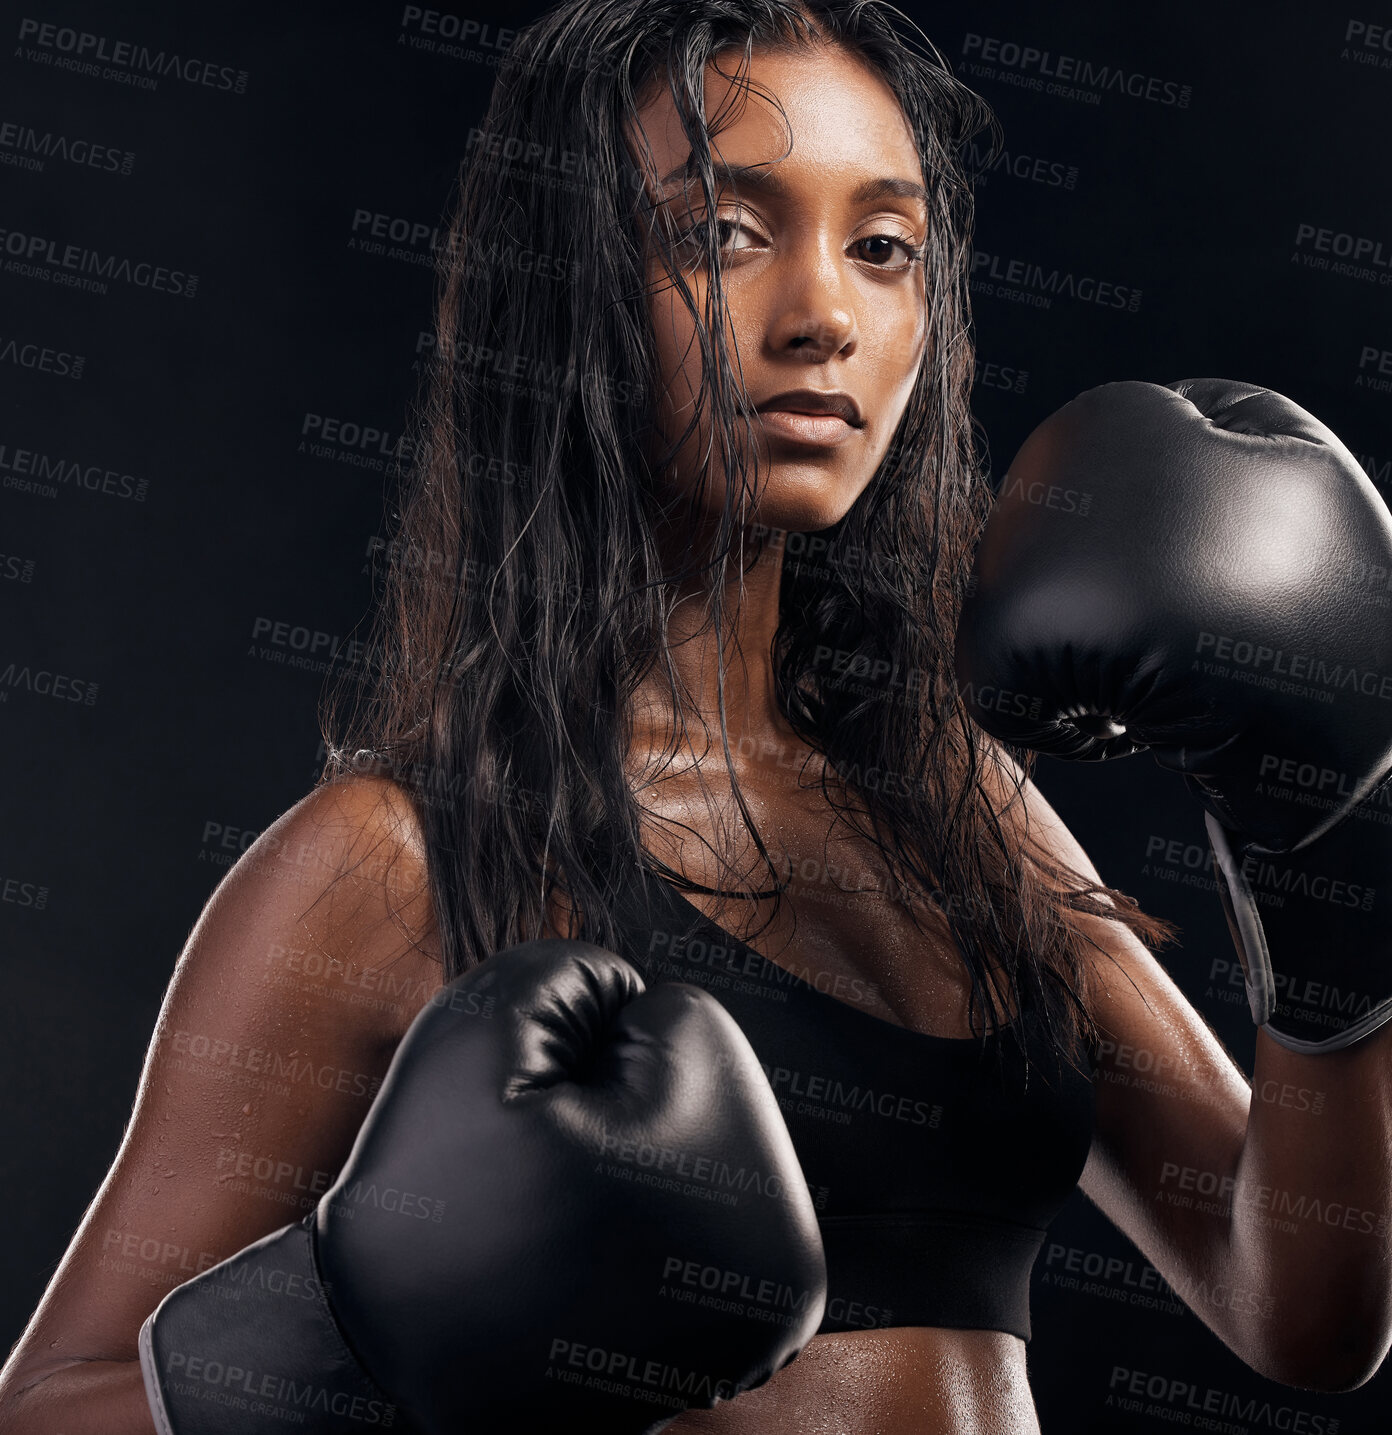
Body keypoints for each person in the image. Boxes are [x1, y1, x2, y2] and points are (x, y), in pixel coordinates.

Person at [3, 1, 1391, 1431]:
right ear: (569, 283)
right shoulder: (397, 859)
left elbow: (1306, 1310)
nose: (822, 316)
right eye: (725, 234)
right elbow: (49, 1405)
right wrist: (353, 1325)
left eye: (883, 246)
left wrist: (1331, 844)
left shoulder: (959, 809)